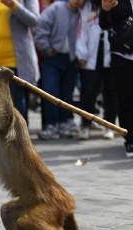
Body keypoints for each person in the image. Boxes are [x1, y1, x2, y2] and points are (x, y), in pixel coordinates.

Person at [0, 0, 40, 124]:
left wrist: (14, 5)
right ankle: (5, 136)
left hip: (18, 58)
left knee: (16, 99)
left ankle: (19, 135)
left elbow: (34, 21)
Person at [34, 0, 84, 140]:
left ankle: (65, 122)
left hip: (71, 59)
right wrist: (46, 48)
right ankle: (50, 125)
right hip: (52, 58)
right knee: (50, 91)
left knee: (67, 93)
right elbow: (40, 29)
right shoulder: (55, 8)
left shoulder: (82, 12)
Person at [76, 0, 115, 140]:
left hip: (112, 53)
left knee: (110, 93)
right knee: (88, 91)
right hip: (91, 55)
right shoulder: (88, 6)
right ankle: (85, 125)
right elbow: (82, 30)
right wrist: (81, 53)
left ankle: (109, 125)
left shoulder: (115, 4)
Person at [99, 0, 133, 157]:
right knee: (125, 98)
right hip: (121, 54)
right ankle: (130, 140)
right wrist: (105, 10)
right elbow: (104, 24)